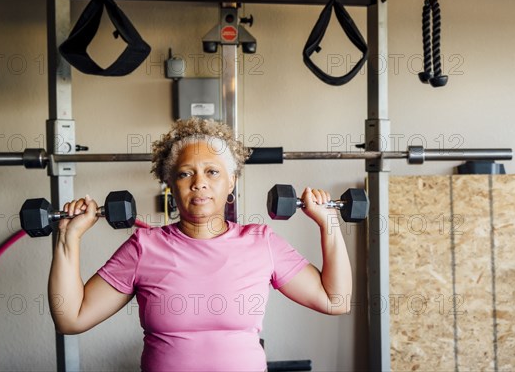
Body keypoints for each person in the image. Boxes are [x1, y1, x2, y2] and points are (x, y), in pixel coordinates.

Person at [48, 118, 352, 372]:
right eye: (185, 174)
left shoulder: (262, 242)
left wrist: (329, 223)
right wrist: (68, 237)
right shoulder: (144, 247)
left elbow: (335, 300)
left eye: (212, 171)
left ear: (231, 182)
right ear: (170, 183)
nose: (199, 183)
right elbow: (70, 318)